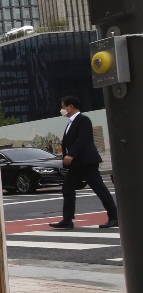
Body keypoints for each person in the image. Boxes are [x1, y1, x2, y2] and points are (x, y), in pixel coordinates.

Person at [51, 95, 118, 230]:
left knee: (100, 189)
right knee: (67, 188)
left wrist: (71, 155)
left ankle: (114, 217)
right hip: (76, 164)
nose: (62, 110)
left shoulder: (83, 120)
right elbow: (68, 142)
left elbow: (83, 139)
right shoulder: (70, 123)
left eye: (63, 107)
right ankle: (68, 220)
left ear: (70, 107)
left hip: (86, 162)